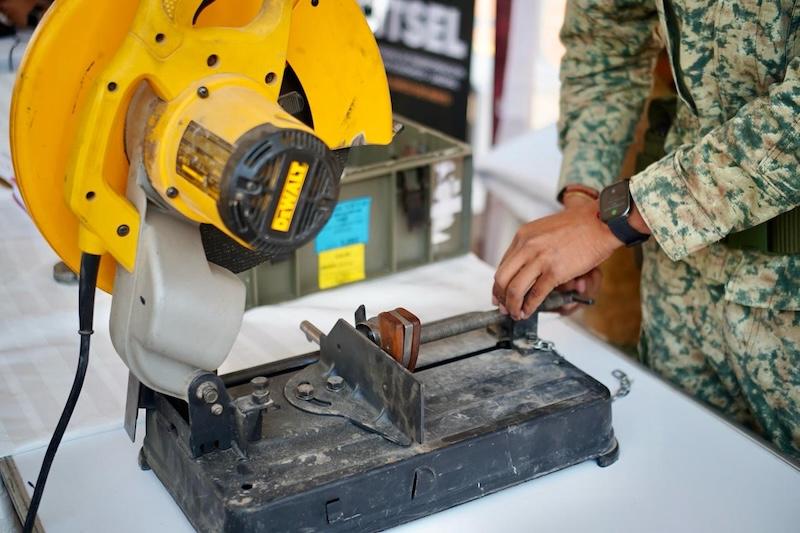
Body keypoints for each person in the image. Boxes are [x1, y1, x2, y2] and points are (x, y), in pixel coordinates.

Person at [492, 0, 800, 460]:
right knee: (671, 474)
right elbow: (605, 39)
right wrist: (583, 199)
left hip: (789, 311)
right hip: (679, 291)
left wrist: (612, 222)